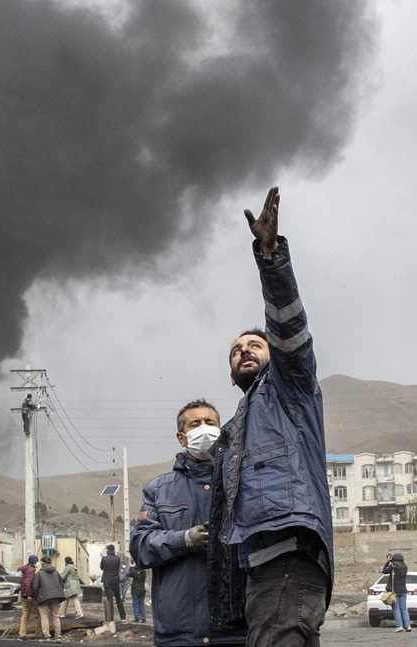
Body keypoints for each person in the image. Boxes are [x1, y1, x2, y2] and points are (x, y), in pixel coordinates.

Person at [209, 186, 333, 647]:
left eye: (254, 345)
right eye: (237, 350)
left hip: (287, 557)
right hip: (260, 564)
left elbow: (289, 330)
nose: (245, 351)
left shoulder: (289, 387)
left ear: (272, 357)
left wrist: (270, 258)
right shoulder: (237, 426)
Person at [131, 399, 246, 646]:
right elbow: (140, 546)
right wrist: (182, 540)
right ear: (182, 438)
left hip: (234, 631)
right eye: (196, 424)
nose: (205, 429)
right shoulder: (158, 490)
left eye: (211, 423)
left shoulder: (242, 482)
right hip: (179, 634)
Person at [32, 556, 65, 641]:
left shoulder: (39, 573)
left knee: (44, 616)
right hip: (55, 597)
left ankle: (47, 636)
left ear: (42, 563)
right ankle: (58, 636)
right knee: (56, 616)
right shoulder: (56, 572)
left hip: (43, 597)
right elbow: (61, 584)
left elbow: (35, 587)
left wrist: (36, 597)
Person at [382, 553, 410, 632]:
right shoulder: (405, 567)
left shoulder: (393, 566)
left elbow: (384, 571)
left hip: (395, 591)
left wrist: (388, 561)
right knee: (404, 608)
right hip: (403, 590)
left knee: (396, 609)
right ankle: (408, 626)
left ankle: (399, 626)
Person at [18, 555, 42, 639]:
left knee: (25, 614)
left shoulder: (25, 569)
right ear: (34, 562)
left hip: (23, 595)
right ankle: (39, 633)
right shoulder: (31, 570)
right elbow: (28, 583)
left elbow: (22, 582)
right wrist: (29, 595)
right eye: (37, 561)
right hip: (28, 595)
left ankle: (22, 633)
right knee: (38, 614)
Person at [100, 544, 125, 621]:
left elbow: (101, 568)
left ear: (107, 550)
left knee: (109, 600)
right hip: (115, 580)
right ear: (114, 550)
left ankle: (111, 618)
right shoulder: (117, 558)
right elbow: (117, 567)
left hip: (107, 580)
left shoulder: (104, 558)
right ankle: (123, 616)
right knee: (118, 599)